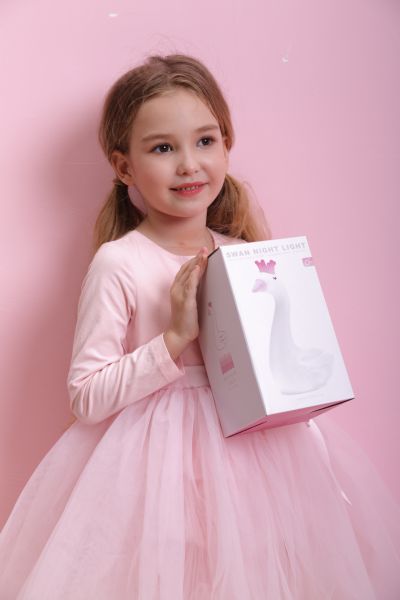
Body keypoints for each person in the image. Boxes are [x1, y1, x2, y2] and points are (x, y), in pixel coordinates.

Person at [0, 54, 399, 600]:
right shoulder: (121, 262)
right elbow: (86, 395)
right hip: (153, 471)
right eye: (163, 148)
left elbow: (274, 359)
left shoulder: (244, 254)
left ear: (226, 145)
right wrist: (172, 340)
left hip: (254, 457)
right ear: (124, 167)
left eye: (205, 141)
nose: (189, 164)